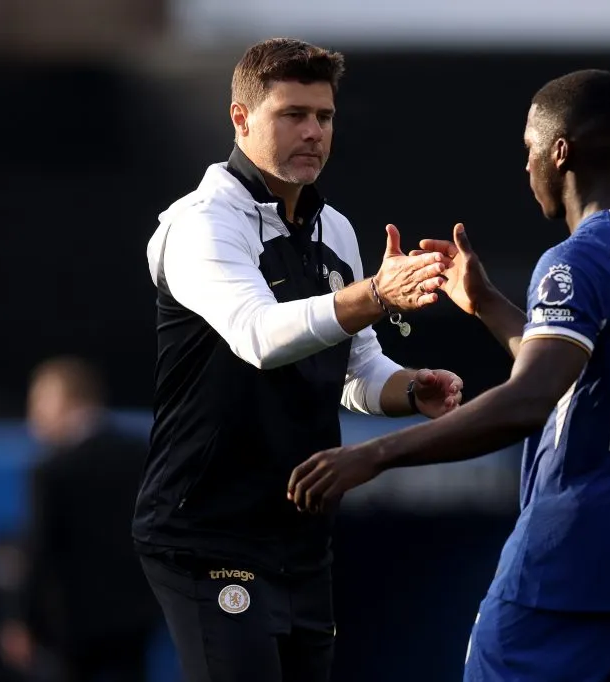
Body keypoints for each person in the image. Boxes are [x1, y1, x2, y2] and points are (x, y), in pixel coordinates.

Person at [289, 69, 610, 681]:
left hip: (574, 561)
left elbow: (530, 400)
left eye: (529, 149)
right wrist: (487, 302)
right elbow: (583, 379)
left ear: (559, 152)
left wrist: (373, 456)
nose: (526, 167)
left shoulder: (577, 258)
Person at [132, 37, 464, 682]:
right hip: (207, 531)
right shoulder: (201, 222)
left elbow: (354, 369)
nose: (313, 132)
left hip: (300, 533)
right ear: (240, 118)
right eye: (293, 114)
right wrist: (373, 294)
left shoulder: (333, 228)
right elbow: (259, 336)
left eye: (325, 117)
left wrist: (406, 388)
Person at [12, 356, 160, 682]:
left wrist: (25, 620)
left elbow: (40, 550)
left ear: (66, 398)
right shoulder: (141, 454)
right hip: (139, 617)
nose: (33, 413)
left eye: (39, 399)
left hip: (70, 627)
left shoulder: (51, 470)